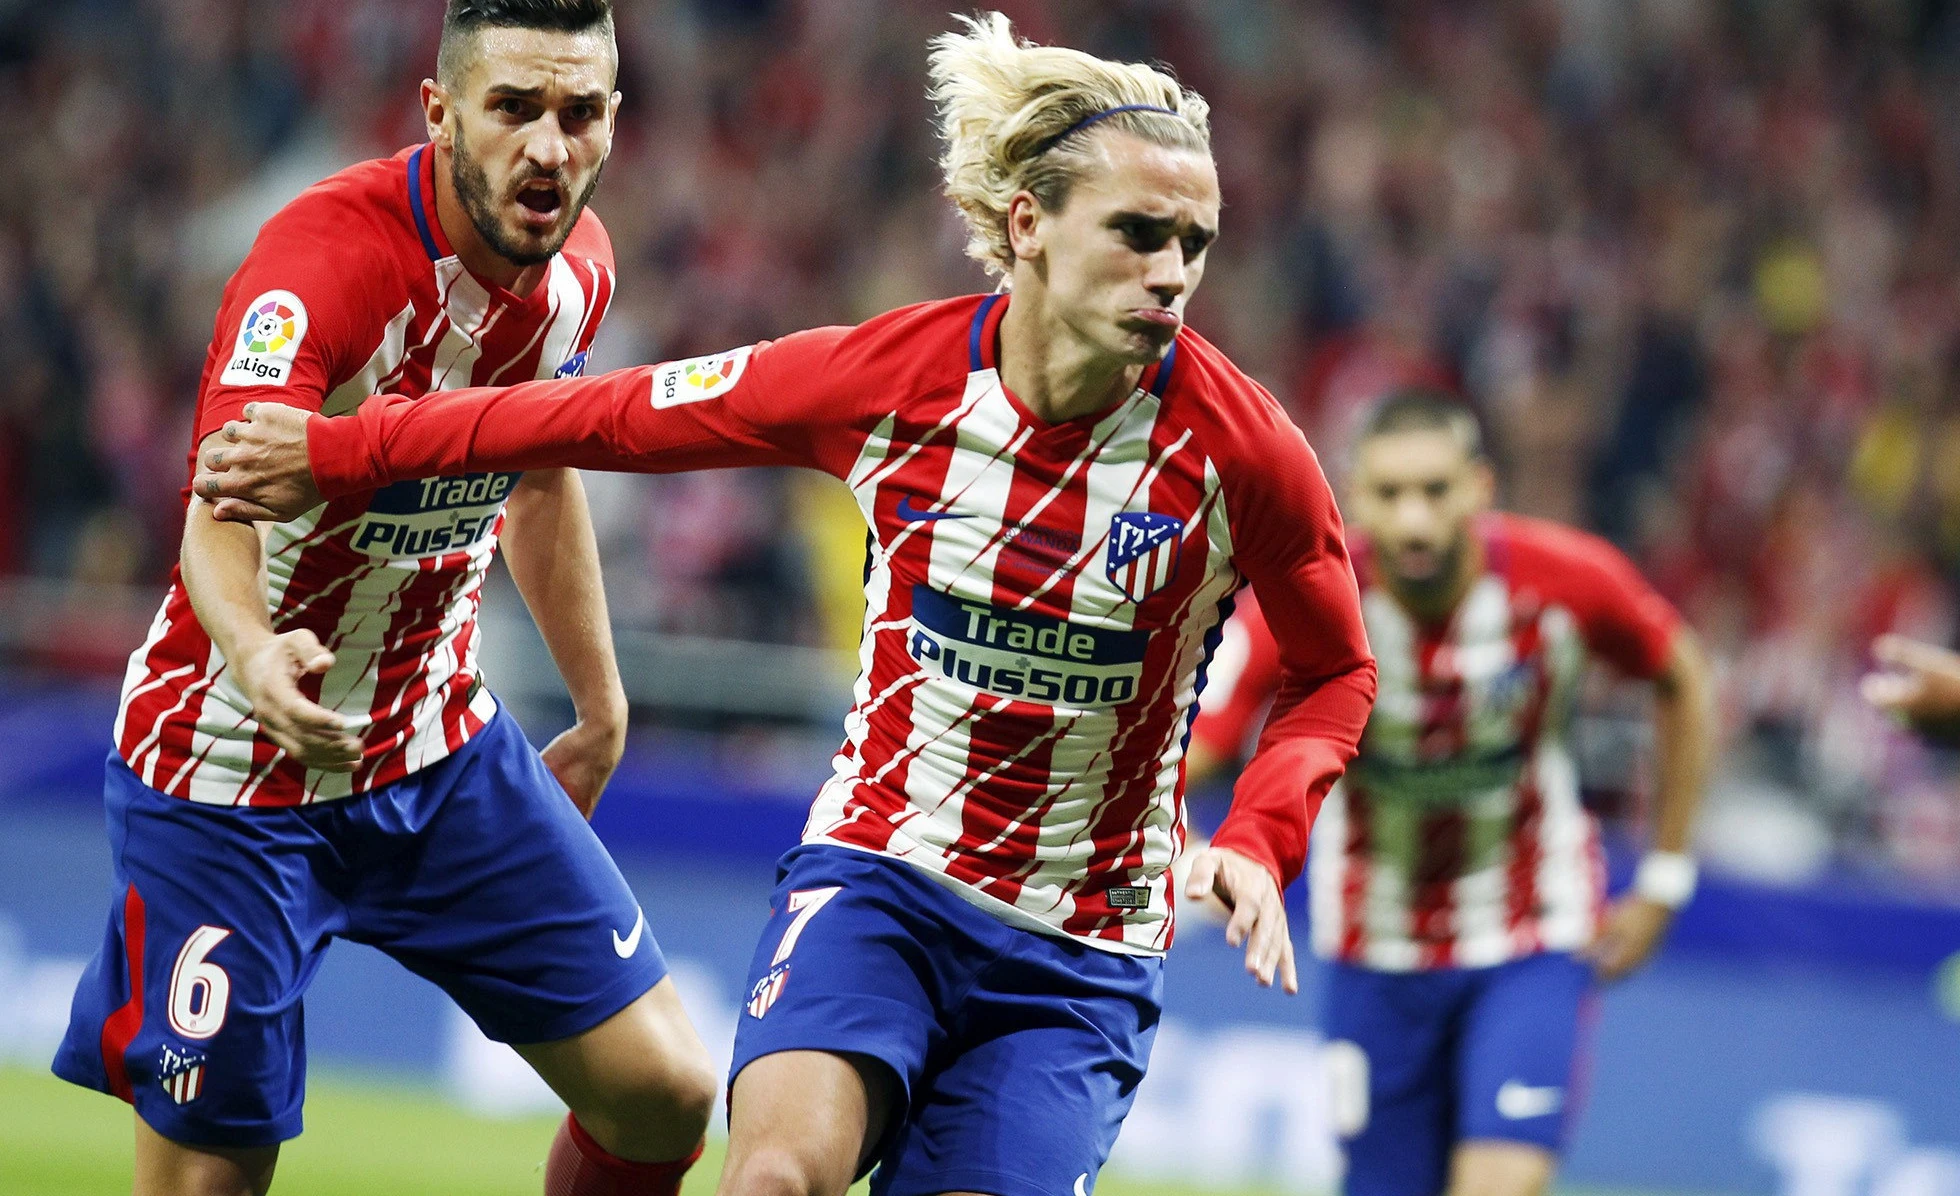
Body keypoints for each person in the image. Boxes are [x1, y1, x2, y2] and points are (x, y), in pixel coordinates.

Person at [194, 12, 1378, 1196]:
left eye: (1192, 241)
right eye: (1136, 232)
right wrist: (346, 450)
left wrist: (1260, 839)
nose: (1171, 272)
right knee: (770, 1178)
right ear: (1028, 225)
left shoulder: (1245, 452)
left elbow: (1333, 673)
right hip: (880, 878)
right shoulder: (888, 383)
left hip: (1076, 951)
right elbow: (601, 417)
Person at [51, 3, 718, 1194]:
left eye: (578, 113)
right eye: (513, 108)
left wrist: (600, 696)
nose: (548, 148)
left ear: (615, 121)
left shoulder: (584, 274)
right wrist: (253, 652)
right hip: (232, 768)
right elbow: (221, 505)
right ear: (440, 110)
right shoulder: (325, 259)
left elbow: (538, 476)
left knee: (664, 1093)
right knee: (212, 1178)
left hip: (435, 747)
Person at [1188, 394, 1714, 1196]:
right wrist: (1193, 849)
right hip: (1376, 948)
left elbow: (1684, 678)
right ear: (1353, 497)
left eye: (1435, 491)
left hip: (1531, 937)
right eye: (1390, 494)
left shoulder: (1565, 583)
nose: (1414, 522)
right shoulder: (1302, 602)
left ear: (1479, 487)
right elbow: (1197, 745)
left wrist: (1667, 878)